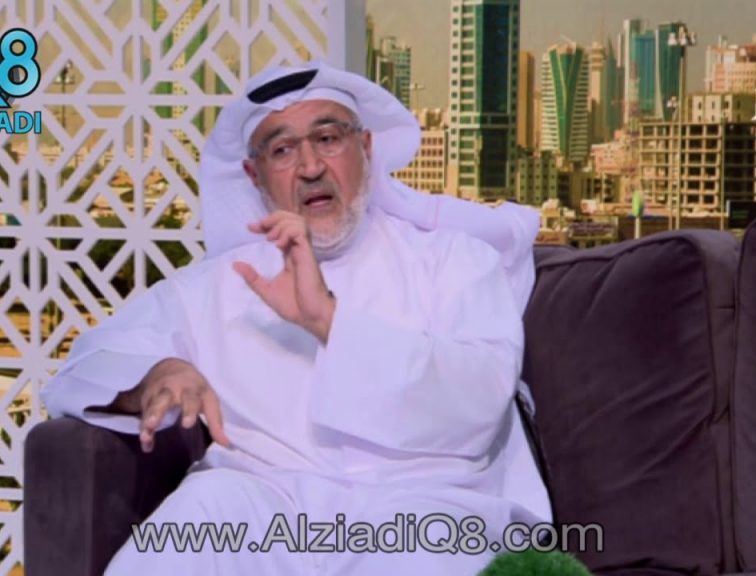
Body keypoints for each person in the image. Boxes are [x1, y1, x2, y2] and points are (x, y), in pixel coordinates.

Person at [41, 61, 551, 575]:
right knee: (201, 509)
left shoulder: (455, 260)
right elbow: (89, 362)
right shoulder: (217, 284)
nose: (310, 167)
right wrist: (157, 374)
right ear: (254, 175)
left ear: (366, 148)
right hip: (271, 502)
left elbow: (479, 399)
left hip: (428, 505)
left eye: (328, 139)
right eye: (282, 150)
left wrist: (328, 319)